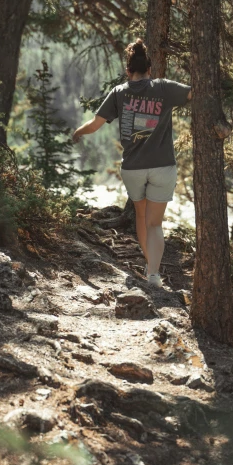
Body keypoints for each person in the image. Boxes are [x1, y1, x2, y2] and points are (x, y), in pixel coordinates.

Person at [73, 39, 191, 287]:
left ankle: (150, 266)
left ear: (128, 71)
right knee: (155, 223)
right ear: (150, 69)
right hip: (162, 166)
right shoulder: (163, 88)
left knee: (141, 216)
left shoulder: (119, 92)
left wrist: (77, 133)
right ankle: (154, 274)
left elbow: (95, 124)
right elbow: (193, 92)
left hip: (133, 168)